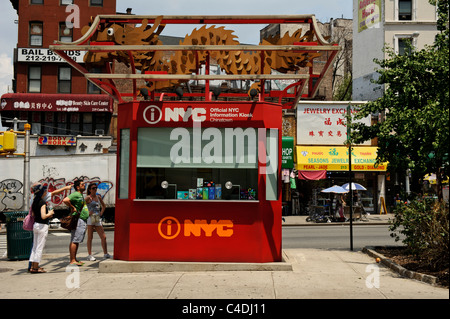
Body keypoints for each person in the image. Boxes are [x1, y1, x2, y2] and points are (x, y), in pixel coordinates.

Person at [63, 180, 89, 266]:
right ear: (78, 187)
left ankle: (74, 259)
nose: (84, 185)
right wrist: (72, 207)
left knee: (76, 240)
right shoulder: (76, 194)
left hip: (81, 219)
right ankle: (72, 260)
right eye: (82, 184)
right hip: (78, 219)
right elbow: (66, 200)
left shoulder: (80, 195)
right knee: (75, 240)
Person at [29, 184, 54, 273]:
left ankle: (32, 266)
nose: (46, 192)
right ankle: (36, 267)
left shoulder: (35, 201)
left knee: (35, 247)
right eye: (45, 191)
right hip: (42, 226)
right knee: (39, 247)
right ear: (42, 192)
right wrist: (50, 213)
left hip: (35, 225)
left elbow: (32, 214)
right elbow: (44, 216)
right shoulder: (42, 203)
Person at [85, 183, 111, 261]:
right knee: (90, 237)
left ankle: (105, 253)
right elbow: (81, 207)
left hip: (97, 218)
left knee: (103, 237)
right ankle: (90, 255)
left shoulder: (98, 197)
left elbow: (104, 206)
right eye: (93, 188)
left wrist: (101, 213)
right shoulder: (88, 198)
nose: (95, 189)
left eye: (96, 188)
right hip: (90, 218)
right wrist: (87, 212)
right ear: (89, 190)